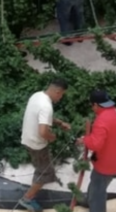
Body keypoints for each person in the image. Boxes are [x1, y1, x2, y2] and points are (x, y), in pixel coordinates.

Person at [19, 78, 71, 212]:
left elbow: (42, 117)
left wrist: (59, 123)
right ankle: (27, 199)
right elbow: (43, 132)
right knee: (45, 172)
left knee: (41, 166)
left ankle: (42, 175)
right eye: (61, 95)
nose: (60, 98)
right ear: (57, 92)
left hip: (27, 139)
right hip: (37, 144)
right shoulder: (46, 106)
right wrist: (52, 137)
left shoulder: (37, 95)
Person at [75, 90, 116, 212]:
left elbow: (95, 145)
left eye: (92, 105)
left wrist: (85, 140)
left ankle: (95, 206)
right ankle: (88, 199)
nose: (92, 108)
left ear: (95, 104)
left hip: (106, 165)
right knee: (97, 184)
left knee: (98, 192)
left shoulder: (101, 120)